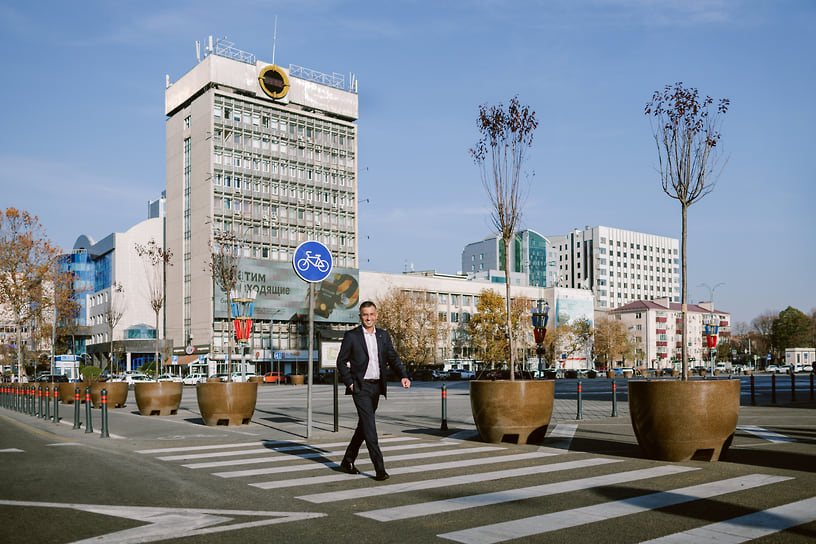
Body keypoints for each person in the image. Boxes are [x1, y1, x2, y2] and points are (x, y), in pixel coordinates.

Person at [336, 300, 410, 481]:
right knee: (370, 428)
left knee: (364, 426)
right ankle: (380, 469)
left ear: (376, 316)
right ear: (360, 316)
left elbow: (393, 357)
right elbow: (341, 362)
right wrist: (350, 383)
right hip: (360, 387)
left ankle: (347, 460)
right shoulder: (352, 336)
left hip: (376, 387)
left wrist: (403, 375)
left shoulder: (383, 336)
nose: (368, 318)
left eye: (371, 314)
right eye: (365, 314)